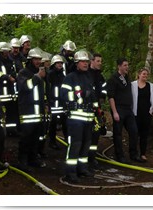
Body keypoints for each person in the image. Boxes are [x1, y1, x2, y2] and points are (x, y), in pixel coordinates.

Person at [60, 50, 98, 183]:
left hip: (88, 117)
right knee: (75, 144)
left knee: (86, 144)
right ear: (76, 63)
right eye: (83, 61)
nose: (85, 64)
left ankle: (82, 167)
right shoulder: (70, 77)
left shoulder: (89, 77)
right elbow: (63, 95)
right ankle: (71, 172)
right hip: (76, 117)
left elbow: (93, 95)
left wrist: (97, 108)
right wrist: (80, 94)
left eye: (87, 61)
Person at [107, 58, 144, 164]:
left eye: (128, 65)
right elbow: (111, 97)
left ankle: (133, 154)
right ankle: (119, 155)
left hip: (128, 109)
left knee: (134, 131)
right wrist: (114, 112)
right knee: (118, 133)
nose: (127, 67)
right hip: (119, 109)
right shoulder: (113, 79)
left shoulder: (127, 78)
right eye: (125, 65)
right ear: (119, 66)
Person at [16, 47, 47, 171]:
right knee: (26, 138)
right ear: (30, 59)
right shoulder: (23, 73)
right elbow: (25, 87)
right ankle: (22, 161)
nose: (38, 62)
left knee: (35, 138)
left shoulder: (41, 74)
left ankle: (33, 159)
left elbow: (43, 91)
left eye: (39, 59)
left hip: (38, 112)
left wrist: (45, 103)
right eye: (35, 59)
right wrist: (37, 77)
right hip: (27, 112)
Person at [87, 53, 107, 171]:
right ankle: (84, 156)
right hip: (86, 109)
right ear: (92, 61)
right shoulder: (86, 75)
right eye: (98, 61)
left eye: (101, 61)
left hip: (97, 110)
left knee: (96, 133)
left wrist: (102, 99)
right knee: (87, 134)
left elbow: (104, 88)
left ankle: (92, 157)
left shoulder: (100, 76)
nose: (100, 63)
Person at [131, 67, 153, 161]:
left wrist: (152, 110)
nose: (145, 76)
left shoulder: (151, 85)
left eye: (146, 74)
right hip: (135, 113)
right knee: (134, 134)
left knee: (144, 135)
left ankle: (143, 153)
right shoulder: (132, 85)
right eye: (143, 74)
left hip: (146, 114)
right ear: (139, 74)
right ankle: (134, 153)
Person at [0, 42, 19, 136]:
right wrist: (7, 77)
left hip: (10, 92)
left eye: (7, 51)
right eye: (5, 51)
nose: (7, 53)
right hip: (1, 92)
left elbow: (14, 71)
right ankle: (0, 132)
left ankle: (11, 131)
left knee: (12, 112)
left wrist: (15, 76)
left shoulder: (10, 60)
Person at [47, 54, 67, 150]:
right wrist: (48, 102)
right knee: (53, 123)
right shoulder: (50, 74)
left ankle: (68, 140)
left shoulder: (63, 75)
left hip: (62, 103)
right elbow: (48, 88)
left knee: (65, 122)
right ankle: (52, 141)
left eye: (61, 63)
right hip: (53, 103)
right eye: (58, 63)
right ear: (53, 64)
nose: (60, 65)